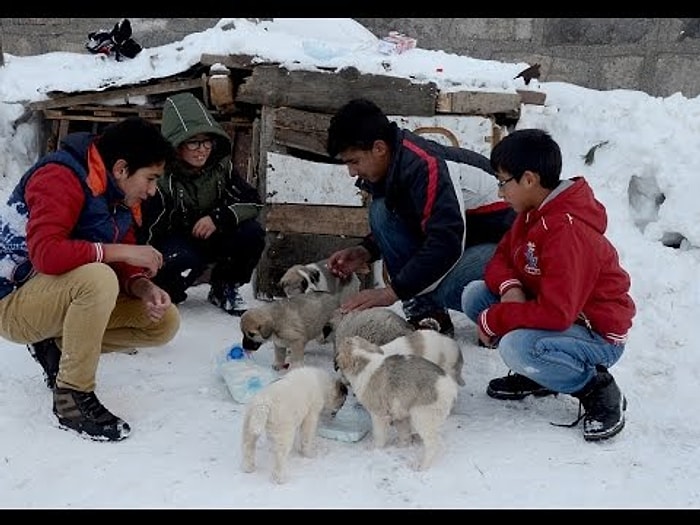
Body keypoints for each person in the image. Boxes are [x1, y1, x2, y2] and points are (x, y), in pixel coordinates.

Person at [0, 116, 181, 442]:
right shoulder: (59, 176)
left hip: (50, 294)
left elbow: (123, 251)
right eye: (151, 179)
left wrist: (143, 285)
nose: (153, 191)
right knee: (97, 278)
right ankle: (72, 397)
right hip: (11, 302)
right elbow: (47, 254)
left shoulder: (115, 192)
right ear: (122, 169)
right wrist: (121, 254)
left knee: (163, 321)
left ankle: (57, 345)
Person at [461, 128, 636, 442]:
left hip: (596, 334)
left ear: (528, 179)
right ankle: (542, 375)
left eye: (503, 182)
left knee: (516, 346)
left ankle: (597, 388)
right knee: (476, 296)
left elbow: (556, 314)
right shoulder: (533, 211)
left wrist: (498, 317)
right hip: (559, 313)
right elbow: (501, 257)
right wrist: (510, 287)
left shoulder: (566, 231)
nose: (500, 193)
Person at [325, 98, 515, 337]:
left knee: (445, 286)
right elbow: (412, 219)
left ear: (379, 148)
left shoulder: (425, 166)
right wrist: (366, 250)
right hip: (467, 238)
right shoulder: (395, 164)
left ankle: (510, 314)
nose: (352, 171)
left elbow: (446, 244)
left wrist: (391, 292)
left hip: (506, 244)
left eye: (354, 161)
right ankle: (428, 314)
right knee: (381, 210)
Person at [139, 92, 265, 316]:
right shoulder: (162, 177)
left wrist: (219, 217)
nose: (202, 149)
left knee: (251, 233)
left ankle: (224, 286)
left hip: (211, 233)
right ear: (177, 145)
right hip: (176, 242)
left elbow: (252, 201)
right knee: (181, 260)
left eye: (207, 141)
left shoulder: (220, 167)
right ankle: (166, 295)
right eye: (194, 142)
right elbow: (149, 229)